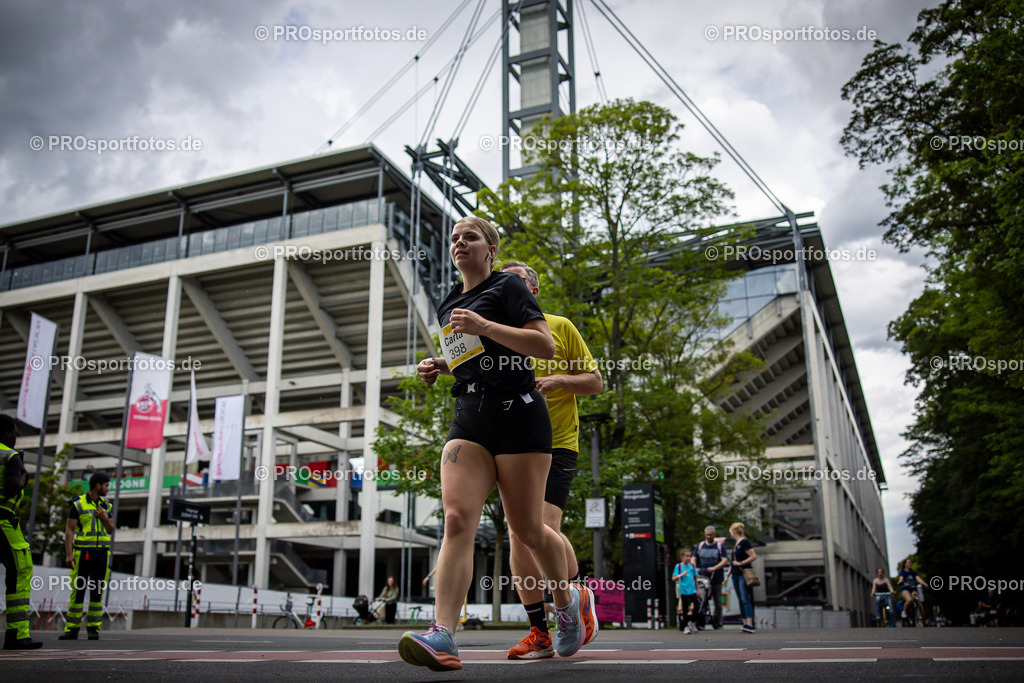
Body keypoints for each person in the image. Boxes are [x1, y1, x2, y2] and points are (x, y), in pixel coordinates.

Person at [398, 216, 587, 672]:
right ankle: (443, 634)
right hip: (470, 417)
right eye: (454, 238)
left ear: (491, 248)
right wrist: (441, 366)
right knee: (456, 519)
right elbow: (474, 361)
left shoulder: (508, 287)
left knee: (528, 530)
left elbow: (543, 346)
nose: (460, 243)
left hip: (519, 416)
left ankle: (566, 605)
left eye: (471, 237)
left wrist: (484, 324)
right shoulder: (449, 302)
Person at [499, 261, 603, 660]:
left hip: (558, 442)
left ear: (534, 291)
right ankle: (539, 632)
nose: (509, 289)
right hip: (513, 447)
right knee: (517, 535)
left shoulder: (560, 327)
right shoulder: (496, 335)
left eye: (516, 282)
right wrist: (439, 365)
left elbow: (595, 382)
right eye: (503, 283)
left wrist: (561, 380)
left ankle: (575, 595)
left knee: (541, 526)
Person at [0, 414, 43, 650]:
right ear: (7, 433)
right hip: (3, 522)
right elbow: (11, 487)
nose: (15, 436)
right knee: (21, 570)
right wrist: (23, 476)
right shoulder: (10, 455)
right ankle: (16, 634)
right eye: (14, 432)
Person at [60, 472, 114, 641]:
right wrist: (69, 554)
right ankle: (72, 629)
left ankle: (93, 629)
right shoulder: (78, 504)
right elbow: (69, 530)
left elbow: (111, 529)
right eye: (106, 485)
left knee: (97, 592)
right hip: (83, 553)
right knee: (78, 591)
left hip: (102, 554)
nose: (108, 489)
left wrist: (104, 518)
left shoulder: (106, 505)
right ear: (98, 486)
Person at [693, 525, 729, 629]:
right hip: (703, 578)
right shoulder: (700, 546)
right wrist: (695, 568)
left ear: (714, 535)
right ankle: (701, 621)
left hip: (716, 578)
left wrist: (715, 568)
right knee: (702, 600)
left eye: (711, 535)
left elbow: (725, 560)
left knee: (718, 602)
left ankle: (717, 622)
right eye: (707, 535)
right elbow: (694, 557)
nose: (709, 537)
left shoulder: (719, 546)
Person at [728, 522, 757, 634]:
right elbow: (732, 561)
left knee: (745, 598)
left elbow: (753, 556)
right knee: (740, 598)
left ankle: (750, 623)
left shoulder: (744, 542)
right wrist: (728, 574)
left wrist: (741, 563)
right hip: (735, 573)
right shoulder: (736, 544)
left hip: (742, 573)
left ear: (733, 531)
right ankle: (745, 622)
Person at [672, 548, 699, 634]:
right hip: (683, 590)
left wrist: (697, 590)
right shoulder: (678, 566)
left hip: (692, 590)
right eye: (687, 556)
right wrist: (681, 575)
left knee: (697, 605)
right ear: (682, 557)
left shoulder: (692, 566)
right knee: (684, 608)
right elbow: (674, 578)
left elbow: (695, 578)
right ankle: (685, 626)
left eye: (689, 556)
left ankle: (692, 621)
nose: (688, 558)